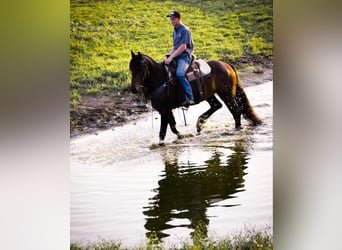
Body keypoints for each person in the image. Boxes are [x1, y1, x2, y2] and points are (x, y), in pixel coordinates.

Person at [164, 10, 195, 106]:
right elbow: (175, 46)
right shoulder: (175, 30)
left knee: (180, 74)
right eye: (170, 19)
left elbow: (183, 47)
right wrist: (169, 56)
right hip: (176, 56)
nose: (171, 21)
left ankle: (190, 98)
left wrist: (171, 57)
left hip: (184, 57)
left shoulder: (185, 30)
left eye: (173, 19)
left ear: (178, 19)